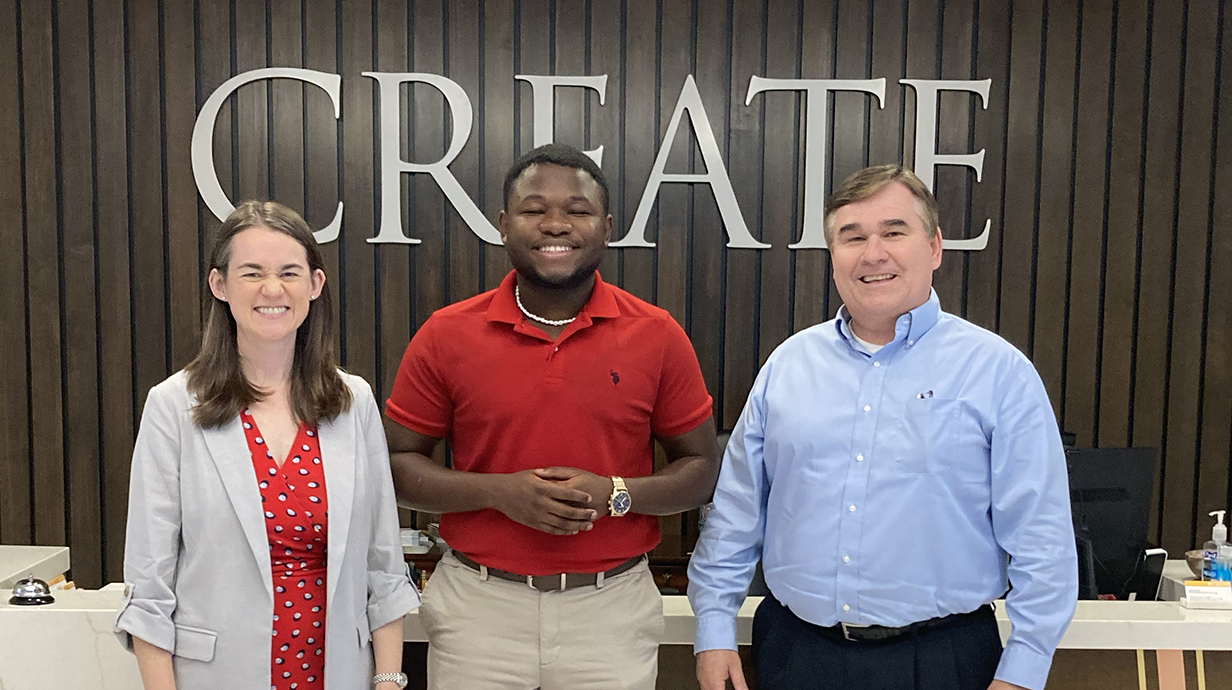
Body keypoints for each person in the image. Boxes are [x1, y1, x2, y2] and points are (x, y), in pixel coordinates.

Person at [688, 165, 1077, 690]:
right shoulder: (788, 366)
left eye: (894, 232)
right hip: (795, 655)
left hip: (943, 661)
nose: (874, 254)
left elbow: (1042, 539)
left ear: (935, 247)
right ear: (833, 259)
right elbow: (735, 514)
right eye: (853, 237)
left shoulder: (998, 373)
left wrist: (1024, 671)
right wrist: (713, 629)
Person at [384, 143, 719, 690]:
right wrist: (500, 493)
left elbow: (701, 469)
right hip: (480, 611)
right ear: (502, 224)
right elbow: (396, 464)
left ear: (606, 226)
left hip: (609, 611)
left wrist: (616, 493)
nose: (556, 224)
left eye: (578, 210)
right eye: (534, 209)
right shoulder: (447, 334)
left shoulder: (656, 334)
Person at [115, 201, 420, 690]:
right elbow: (149, 589)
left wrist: (387, 681)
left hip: (336, 673)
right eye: (252, 272)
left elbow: (382, 566)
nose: (272, 289)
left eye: (289, 272)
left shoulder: (352, 402)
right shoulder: (173, 406)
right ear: (220, 285)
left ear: (315, 285)